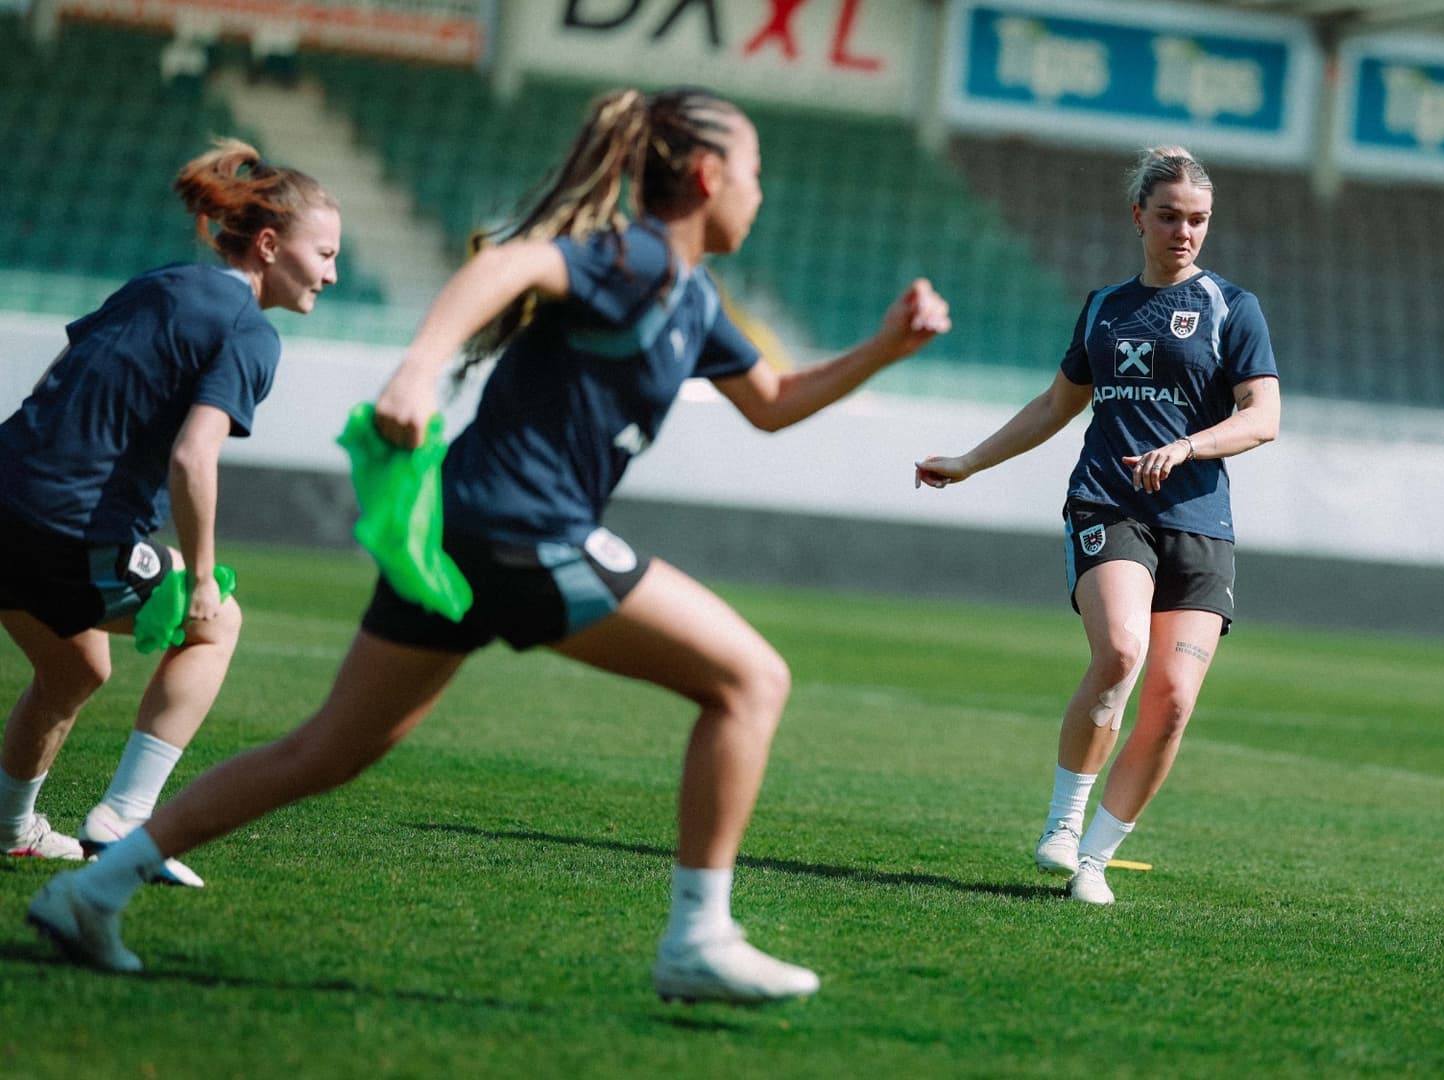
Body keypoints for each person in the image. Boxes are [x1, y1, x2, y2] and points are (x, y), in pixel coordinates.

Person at [29, 87, 950, 1004]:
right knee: (752, 680)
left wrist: (883, 348)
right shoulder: (629, 258)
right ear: (709, 177)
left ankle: (91, 892)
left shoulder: (691, 295)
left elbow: (775, 403)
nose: (762, 190)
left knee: (328, 751)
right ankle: (698, 937)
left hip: (459, 536)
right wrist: (418, 371)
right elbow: (506, 267)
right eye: (755, 171)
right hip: (520, 530)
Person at [914, 146, 1280, 905]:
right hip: (1108, 503)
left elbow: (1264, 417)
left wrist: (1188, 445)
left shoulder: (1232, 308)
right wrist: (970, 460)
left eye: (1199, 220)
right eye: (1171, 216)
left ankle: (1094, 861)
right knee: (1120, 651)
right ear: (1138, 217)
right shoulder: (1104, 307)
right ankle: (1061, 821)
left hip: (1200, 520)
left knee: (1174, 700)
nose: (1185, 232)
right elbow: (1056, 407)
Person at [1, 140, 340, 887]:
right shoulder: (250, 330)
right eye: (324, 253)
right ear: (270, 243)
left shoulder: (163, 282)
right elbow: (194, 457)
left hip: (6, 495)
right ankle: (125, 817)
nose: (333, 272)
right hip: (67, 524)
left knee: (76, 667)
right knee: (218, 620)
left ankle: (11, 828)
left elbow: (66, 367)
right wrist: (206, 579)